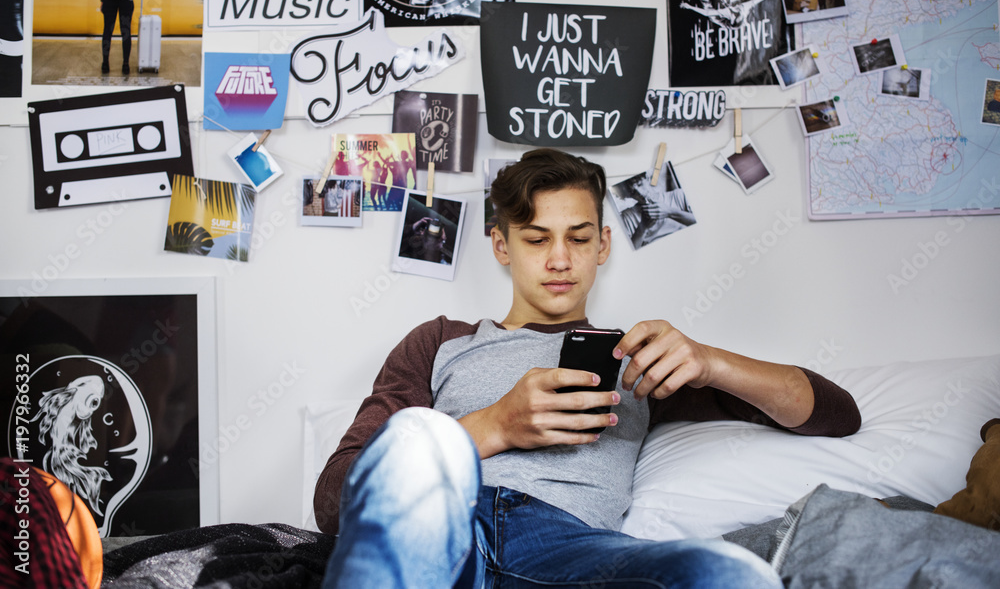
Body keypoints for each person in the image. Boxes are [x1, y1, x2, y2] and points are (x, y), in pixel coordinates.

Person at [314, 148, 862, 588]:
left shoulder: (639, 357)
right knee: (416, 433)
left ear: (603, 245)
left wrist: (710, 361)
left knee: (731, 574)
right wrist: (495, 426)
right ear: (502, 247)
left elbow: (836, 413)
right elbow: (335, 499)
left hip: (567, 549)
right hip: (439, 531)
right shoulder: (439, 341)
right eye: (536, 239)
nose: (560, 259)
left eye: (578, 238)